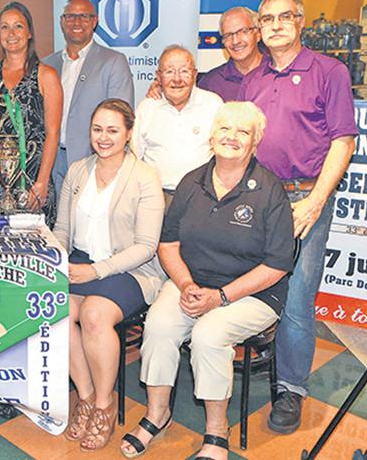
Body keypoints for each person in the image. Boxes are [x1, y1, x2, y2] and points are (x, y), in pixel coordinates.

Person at [121, 102, 295, 460]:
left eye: (242, 131)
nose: (231, 137)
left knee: (208, 335)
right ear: (212, 135)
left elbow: (277, 266)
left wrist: (221, 297)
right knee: (160, 323)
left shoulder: (269, 190)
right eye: (225, 129)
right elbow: (168, 244)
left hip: (253, 293)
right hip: (193, 283)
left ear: (255, 141)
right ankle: (158, 414)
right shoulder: (191, 182)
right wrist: (185, 285)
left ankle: (217, 431)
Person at [239, 0, 357, 435]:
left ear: (301, 22)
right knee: (257, 285)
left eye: (284, 17)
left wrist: (314, 203)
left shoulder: (330, 71)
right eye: (266, 19)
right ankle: (270, 354)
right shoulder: (255, 78)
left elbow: (342, 141)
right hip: (261, 201)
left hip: (307, 197)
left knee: (298, 298)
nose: (274, 25)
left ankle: (290, 389)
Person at [53, 99, 164, 452]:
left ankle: (104, 404)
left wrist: (95, 271)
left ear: (128, 134)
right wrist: (56, 256)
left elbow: (146, 247)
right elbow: (62, 230)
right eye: (97, 129)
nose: (104, 137)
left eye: (113, 130)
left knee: (94, 314)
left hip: (129, 267)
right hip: (81, 261)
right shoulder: (77, 171)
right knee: (55, 310)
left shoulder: (145, 177)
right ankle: (85, 396)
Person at [0, 1, 63, 225]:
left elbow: (52, 134)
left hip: (31, 183)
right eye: (4, 27)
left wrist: (41, 182)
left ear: (29, 32)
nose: (11, 33)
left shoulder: (46, 76)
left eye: (18, 26)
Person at [43, 0, 134, 194]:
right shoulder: (47, 65)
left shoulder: (114, 62)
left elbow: (121, 119)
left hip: (93, 160)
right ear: (62, 21)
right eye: (71, 16)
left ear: (95, 21)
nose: (77, 22)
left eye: (84, 16)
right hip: (50, 163)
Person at [131, 45, 223, 206]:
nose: (177, 79)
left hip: (203, 197)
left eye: (184, 71)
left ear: (194, 75)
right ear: (158, 77)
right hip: (157, 198)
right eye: (169, 71)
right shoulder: (146, 108)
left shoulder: (213, 104)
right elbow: (134, 158)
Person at [197, 7, 266, 102]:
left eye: (243, 31)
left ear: (258, 34)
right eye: (228, 35)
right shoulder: (210, 84)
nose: (235, 41)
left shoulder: (277, 73)